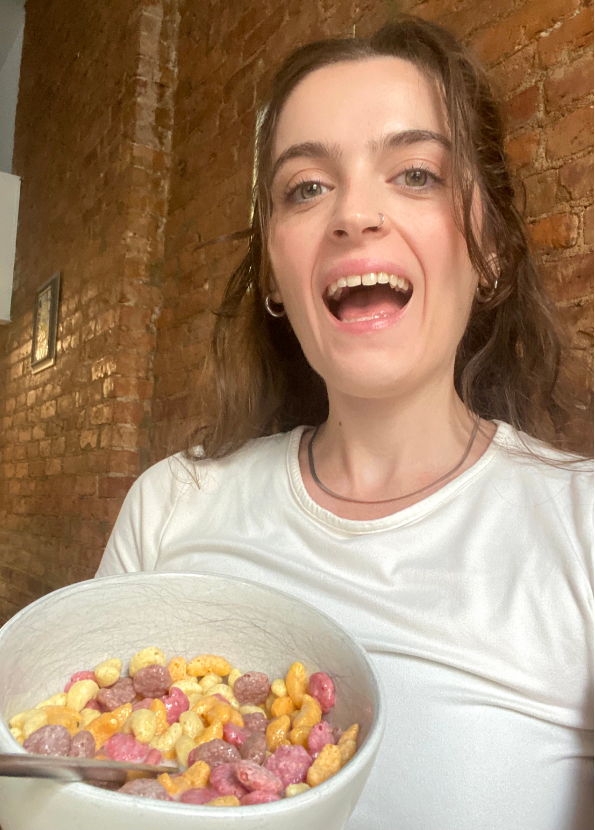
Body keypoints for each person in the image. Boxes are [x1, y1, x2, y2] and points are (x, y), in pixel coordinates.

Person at [97, 16, 592, 829]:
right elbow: (78, 782)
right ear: (274, 273)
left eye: (417, 174)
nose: (355, 214)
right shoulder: (170, 508)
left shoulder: (582, 530)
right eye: (307, 187)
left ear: (492, 244)